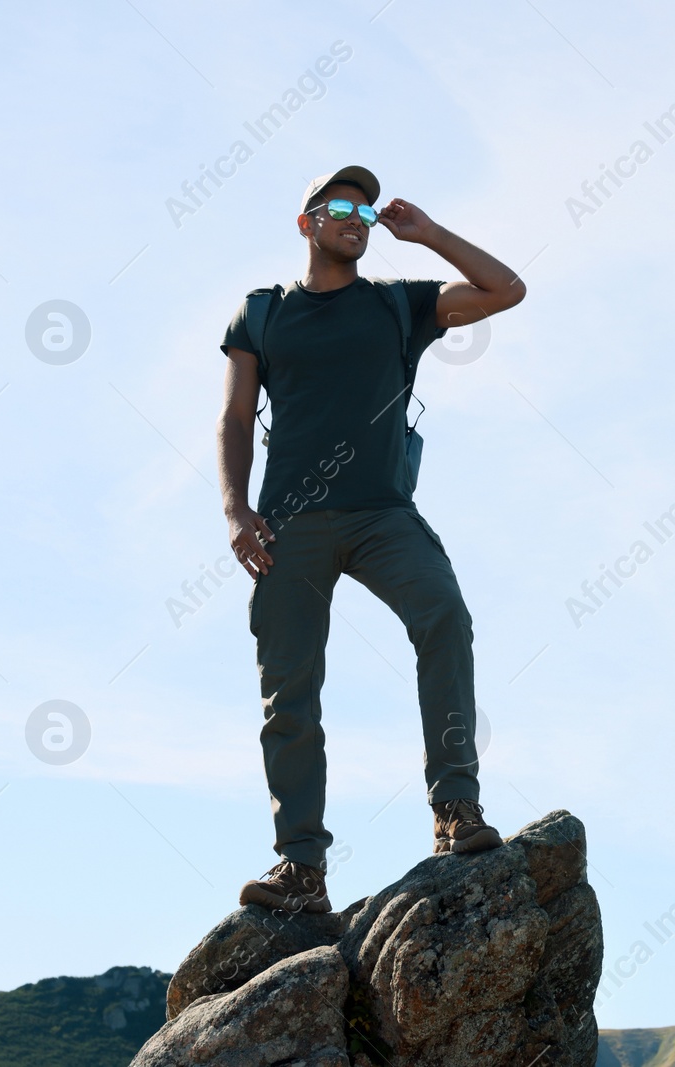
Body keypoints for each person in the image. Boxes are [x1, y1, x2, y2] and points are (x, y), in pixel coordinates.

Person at [215, 165, 525, 914]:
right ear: (308, 224)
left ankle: (455, 810)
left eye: (367, 208)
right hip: (289, 524)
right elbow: (233, 419)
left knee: (445, 616)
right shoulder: (261, 314)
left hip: (383, 514)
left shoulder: (398, 305)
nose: (359, 216)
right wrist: (236, 510)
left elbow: (505, 289)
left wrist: (430, 233)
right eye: (342, 205)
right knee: (290, 692)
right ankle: (301, 868)